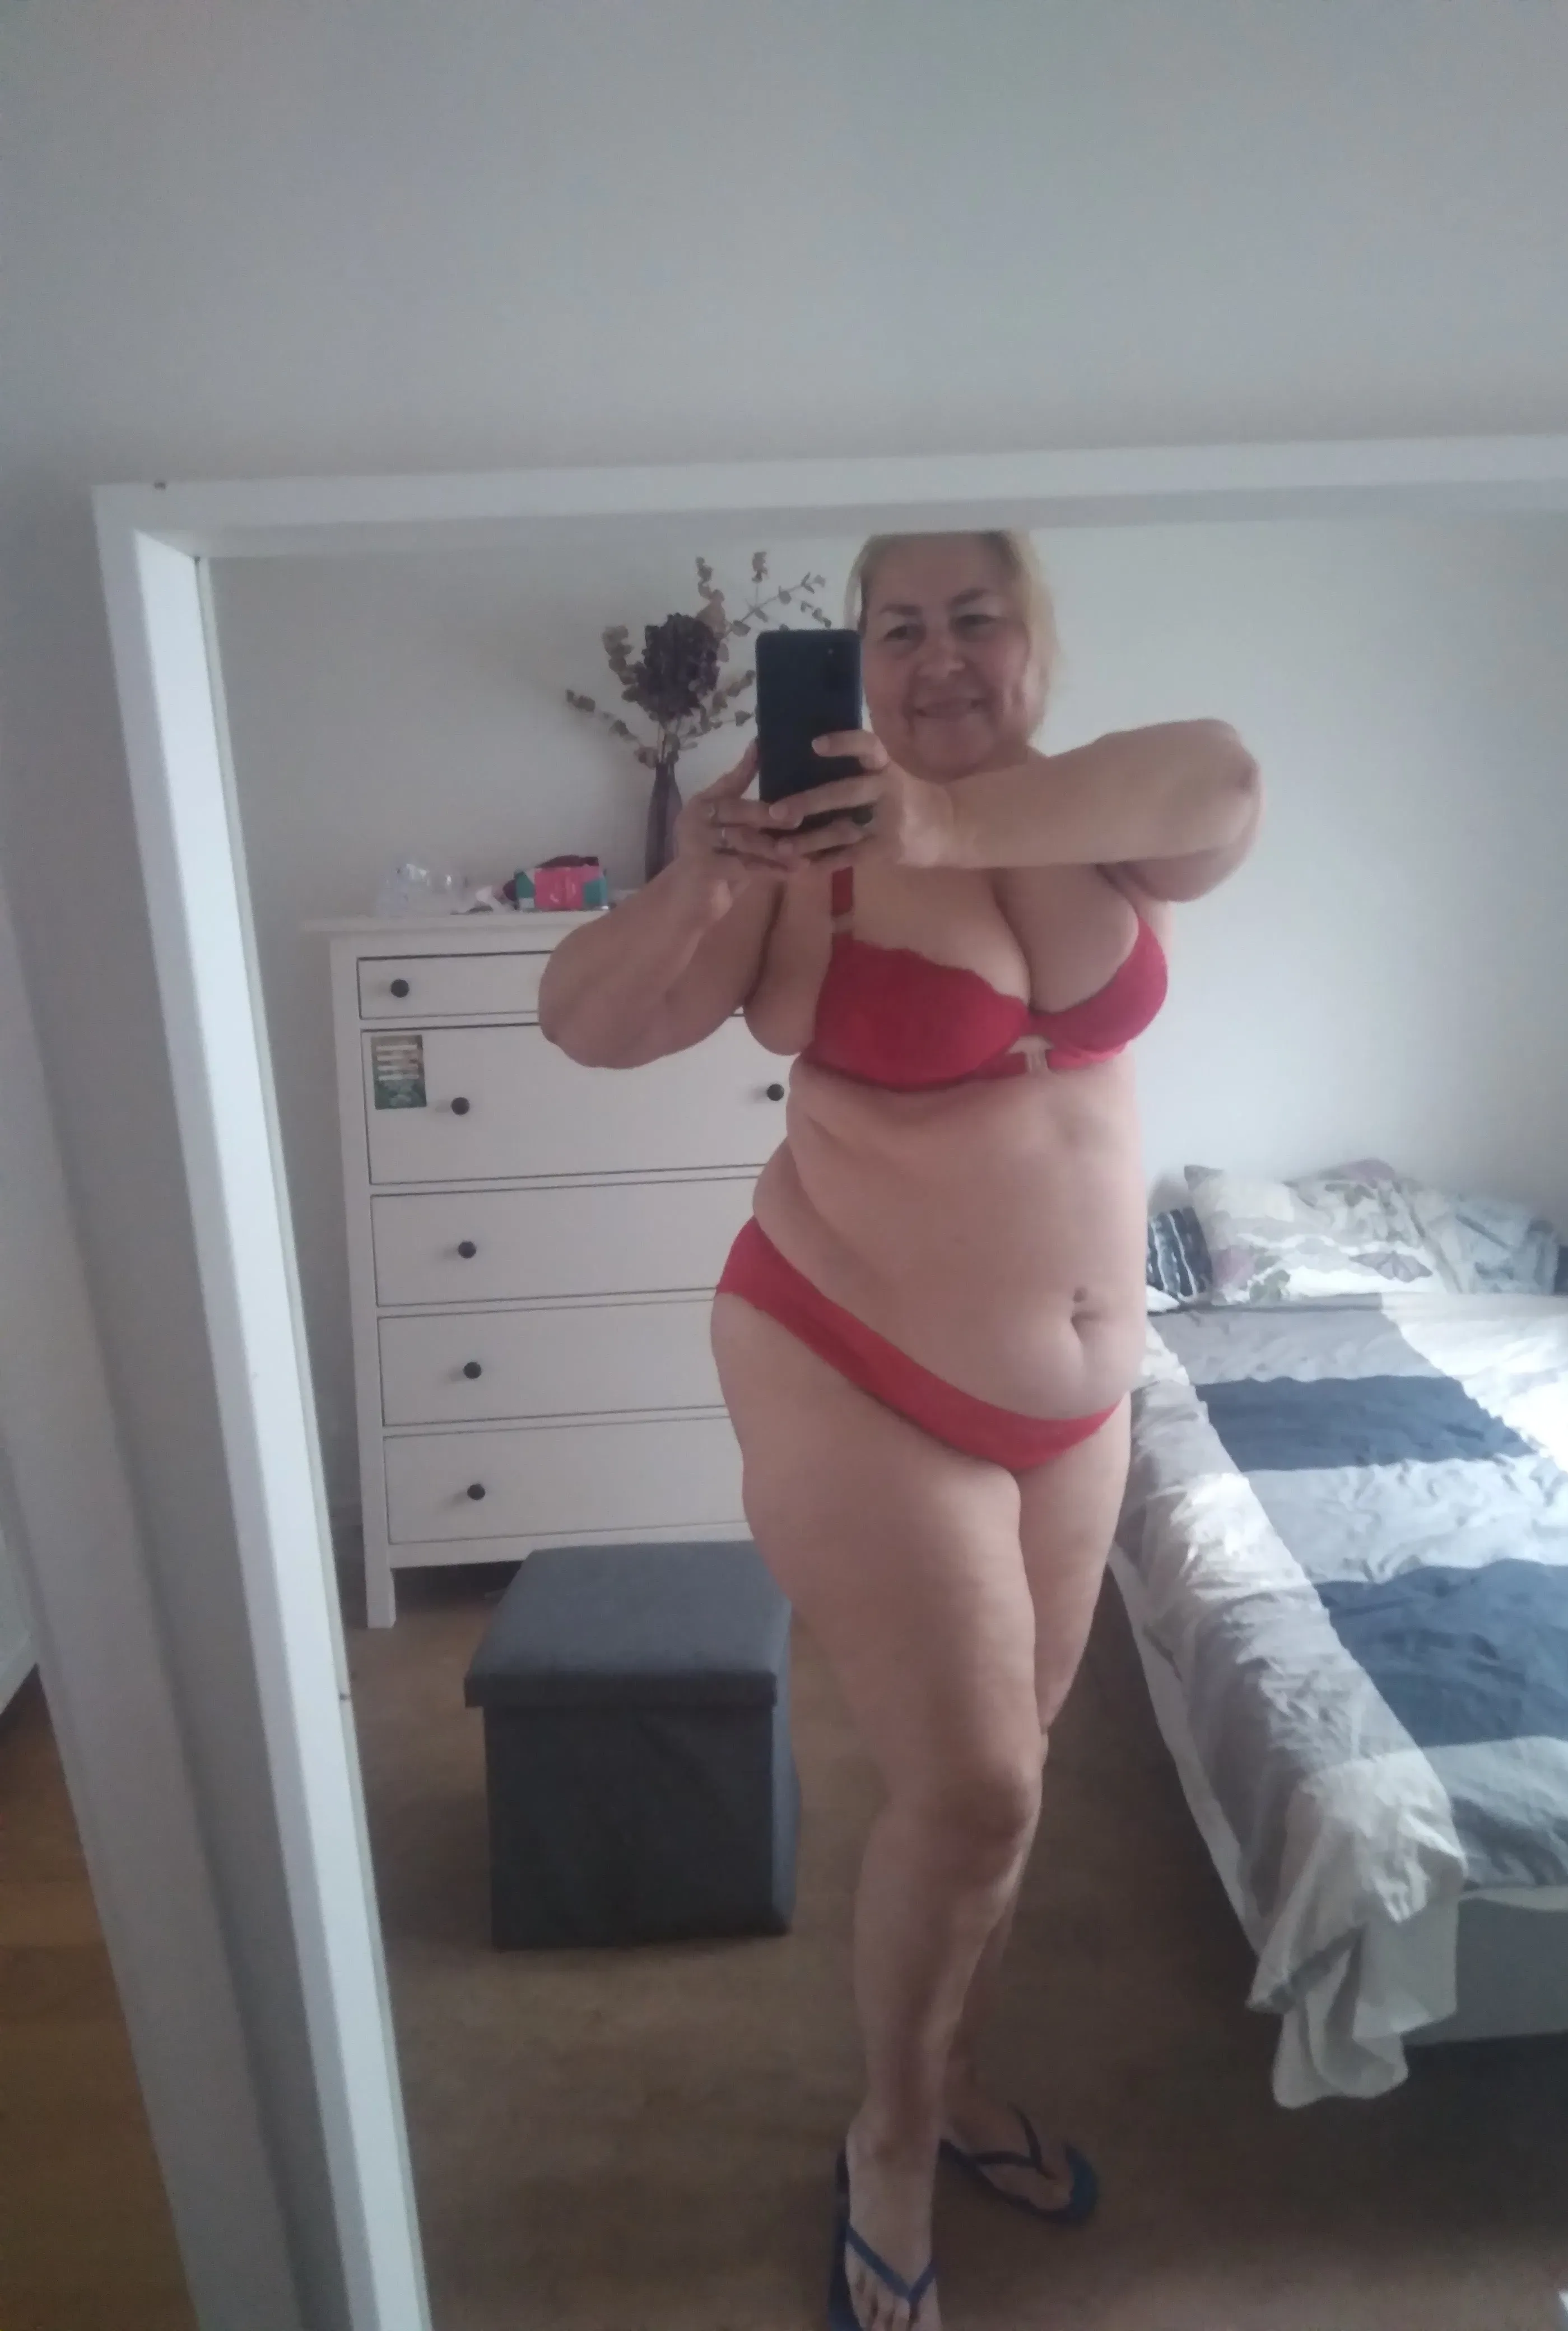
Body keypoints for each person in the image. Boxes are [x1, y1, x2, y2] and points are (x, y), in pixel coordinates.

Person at [538, 531, 1260, 2331]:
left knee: (997, 1801)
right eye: (898, 626)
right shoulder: (805, 857)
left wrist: (947, 824)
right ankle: (890, 2148)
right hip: (851, 1357)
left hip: (1077, 1409)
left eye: (975, 618)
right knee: (982, 1787)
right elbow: (585, 1025)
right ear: (852, 659)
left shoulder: (1098, 810)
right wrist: (707, 872)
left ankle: (946, 2084)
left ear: (1034, 642)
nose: (939, 657)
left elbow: (1227, 782)